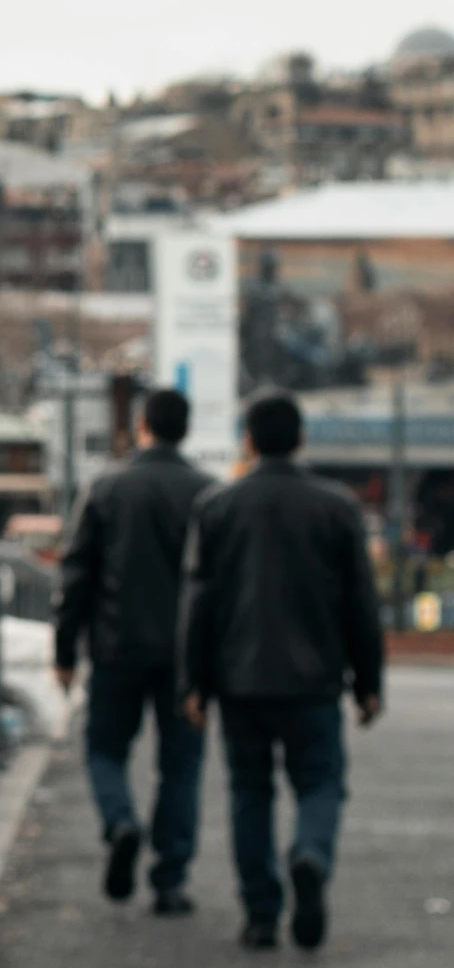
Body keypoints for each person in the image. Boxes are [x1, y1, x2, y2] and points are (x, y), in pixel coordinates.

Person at [180, 392, 385, 952]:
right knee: (320, 783)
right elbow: (361, 604)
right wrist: (368, 683)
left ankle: (261, 915)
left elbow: (198, 602)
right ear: (301, 439)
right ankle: (311, 855)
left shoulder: (217, 506)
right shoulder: (337, 506)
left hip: (239, 678)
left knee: (251, 792)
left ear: (248, 440)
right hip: (315, 681)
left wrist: (193, 682)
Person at [53, 388, 213, 915]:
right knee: (181, 768)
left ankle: (121, 821)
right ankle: (169, 882)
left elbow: (77, 574)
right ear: (185, 430)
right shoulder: (208, 494)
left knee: (105, 750)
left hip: (117, 647)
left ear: (143, 426)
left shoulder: (108, 487)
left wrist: (66, 650)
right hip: (187, 658)